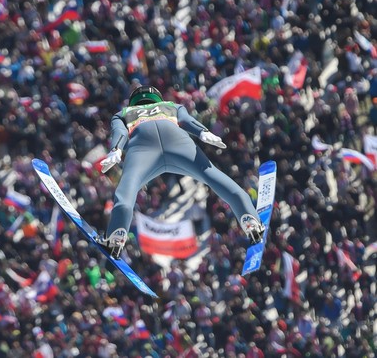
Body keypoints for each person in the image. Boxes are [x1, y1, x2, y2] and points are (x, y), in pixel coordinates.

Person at [96, 85, 265, 258]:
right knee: (212, 176)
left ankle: (116, 235)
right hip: (178, 143)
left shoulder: (124, 113)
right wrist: (203, 132)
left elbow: (120, 131)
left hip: (142, 149)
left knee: (127, 191)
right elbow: (186, 120)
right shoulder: (171, 105)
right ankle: (249, 218)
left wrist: (116, 149)